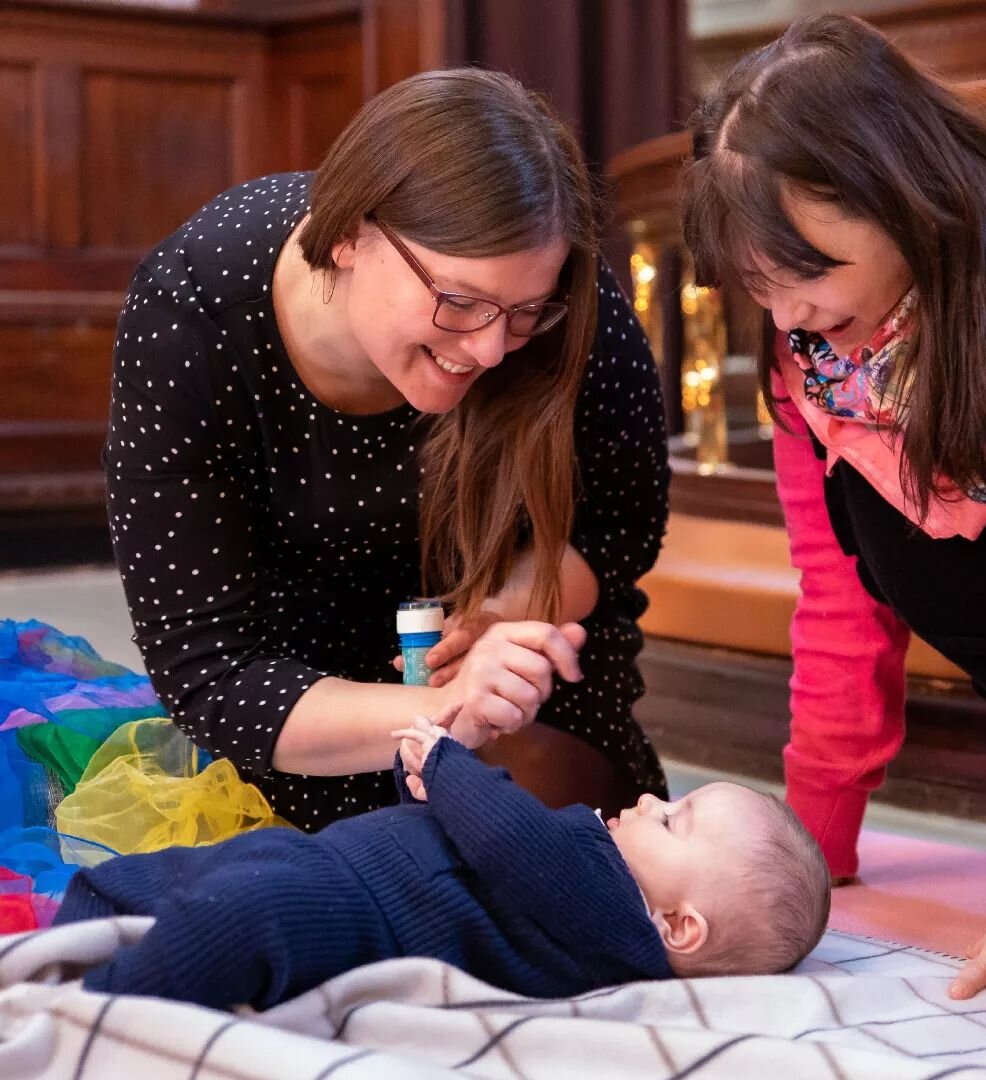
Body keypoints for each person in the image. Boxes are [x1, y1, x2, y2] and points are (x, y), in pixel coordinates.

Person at [104, 67, 670, 827]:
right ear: (346, 235)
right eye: (459, 302)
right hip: (305, 708)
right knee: (342, 881)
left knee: (557, 860)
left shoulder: (564, 299)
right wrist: (438, 708)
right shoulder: (195, 316)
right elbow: (211, 670)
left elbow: (619, 530)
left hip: (520, 670)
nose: (495, 349)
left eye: (524, 313)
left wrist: (499, 622)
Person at [681, 13, 986, 1011]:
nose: (787, 319)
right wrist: (803, 858)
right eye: (757, 286)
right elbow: (841, 608)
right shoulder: (817, 366)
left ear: (904, 193)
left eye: (805, 271)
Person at [53, 705, 831, 1010]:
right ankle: (64, 948)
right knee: (153, 878)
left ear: (679, 927)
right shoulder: (592, 886)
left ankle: (96, 1012)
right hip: (334, 862)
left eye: (675, 822)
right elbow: (475, 846)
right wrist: (424, 787)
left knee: (234, 920)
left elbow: (506, 837)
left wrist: (452, 765)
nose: (655, 802)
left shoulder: (611, 911)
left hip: (350, 908)